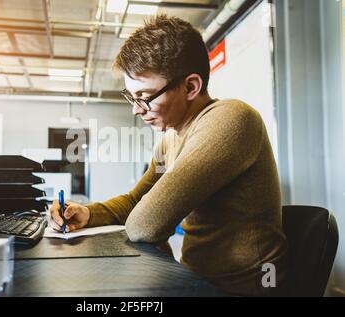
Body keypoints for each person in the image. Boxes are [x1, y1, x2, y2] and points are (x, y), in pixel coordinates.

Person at [50, 14, 287, 296]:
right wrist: (87, 213)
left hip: (246, 289)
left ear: (190, 87)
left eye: (145, 96)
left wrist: (151, 231)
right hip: (195, 280)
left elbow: (144, 224)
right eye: (131, 96)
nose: (136, 109)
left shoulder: (232, 119)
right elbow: (136, 200)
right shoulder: (169, 139)